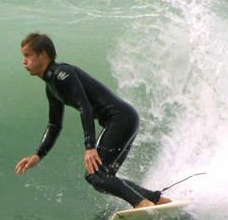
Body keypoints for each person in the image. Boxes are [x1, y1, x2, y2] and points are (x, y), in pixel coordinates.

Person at [14, 32, 170, 209]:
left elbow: (84, 106)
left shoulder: (62, 74)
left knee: (94, 175)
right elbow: (54, 124)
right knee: (102, 177)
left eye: (27, 56)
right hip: (123, 119)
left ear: (42, 55)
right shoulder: (51, 86)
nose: (24, 62)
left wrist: (90, 147)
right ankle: (156, 200)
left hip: (120, 118)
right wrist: (38, 155)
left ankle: (142, 204)